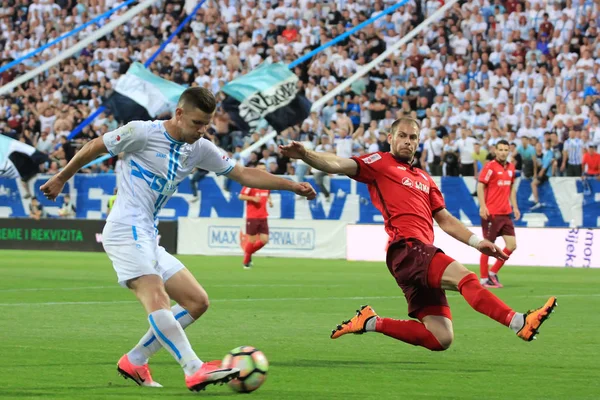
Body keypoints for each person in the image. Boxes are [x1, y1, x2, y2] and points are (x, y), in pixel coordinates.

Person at [40, 87, 316, 392]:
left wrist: (291, 185)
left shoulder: (199, 148)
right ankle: (194, 368)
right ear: (180, 114)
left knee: (197, 302)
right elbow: (95, 146)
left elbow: (242, 173)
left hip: (147, 234)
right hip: (124, 228)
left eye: (207, 124)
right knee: (156, 293)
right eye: (197, 123)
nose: (202, 130)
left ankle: (135, 359)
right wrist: (62, 177)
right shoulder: (141, 132)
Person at [280, 117, 556, 352]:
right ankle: (518, 322)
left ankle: (371, 321)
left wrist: (477, 241)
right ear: (390, 138)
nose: (407, 141)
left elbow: (445, 220)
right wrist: (305, 154)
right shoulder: (379, 163)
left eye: (413, 137)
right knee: (467, 279)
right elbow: (338, 164)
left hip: (415, 257)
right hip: (407, 248)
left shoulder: (425, 179)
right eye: (402, 136)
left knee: (441, 337)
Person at [477, 140, 520, 288]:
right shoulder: (490, 167)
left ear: (509, 151)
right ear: (495, 151)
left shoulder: (511, 168)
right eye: (500, 149)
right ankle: (483, 279)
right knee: (488, 246)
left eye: (505, 150)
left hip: (505, 213)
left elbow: (511, 188)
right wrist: (483, 206)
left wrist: (515, 207)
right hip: (492, 213)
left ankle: (492, 272)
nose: (503, 152)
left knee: (512, 245)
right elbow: (480, 186)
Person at [238, 164, 273, 269]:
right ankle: (246, 262)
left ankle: (248, 255)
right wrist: (252, 199)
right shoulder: (251, 183)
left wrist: (270, 201)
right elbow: (240, 196)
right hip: (252, 216)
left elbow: (268, 194)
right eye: (260, 170)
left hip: (263, 216)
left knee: (264, 240)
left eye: (264, 169)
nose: (263, 171)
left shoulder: (267, 184)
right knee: (252, 240)